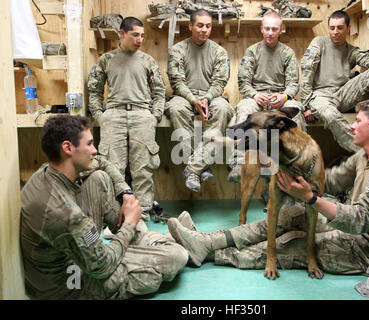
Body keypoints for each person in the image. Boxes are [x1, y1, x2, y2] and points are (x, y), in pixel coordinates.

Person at [166, 99, 369, 277]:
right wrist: (302, 179)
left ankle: (210, 254)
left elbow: (361, 220)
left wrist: (310, 198)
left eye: (357, 121)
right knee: (288, 216)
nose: (351, 126)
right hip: (354, 230)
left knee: (289, 243)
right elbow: (334, 179)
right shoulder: (364, 155)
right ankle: (206, 240)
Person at [20, 115, 192, 299]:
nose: (94, 150)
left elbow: (101, 162)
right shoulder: (66, 214)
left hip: (67, 259)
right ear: (68, 147)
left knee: (99, 179)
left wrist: (125, 191)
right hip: (71, 285)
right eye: (90, 144)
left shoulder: (47, 171)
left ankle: (154, 242)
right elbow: (103, 266)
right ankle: (169, 243)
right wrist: (129, 224)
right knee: (176, 256)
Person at [88, 16, 165, 220]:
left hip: (141, 114)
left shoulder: (148, 60)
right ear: (122, 34)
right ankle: (114, 215)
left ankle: (144, 213)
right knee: (113, 168)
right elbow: (94, 91)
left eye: (142, 35)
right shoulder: (106, 59)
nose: (140, 39)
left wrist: (154, 116)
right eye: (135, 35)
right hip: (114, 114)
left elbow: (159, 91)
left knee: (143, 168)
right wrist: (100, 116)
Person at [300, 10, 369, 154]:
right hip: (320, 97)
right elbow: (307, 73)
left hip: (342, 95)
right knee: (331, 115)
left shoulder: (351, 51)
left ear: (348, 28)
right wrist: (305, 105)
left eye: (340, 28)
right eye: (332, 28)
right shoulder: (320, 43)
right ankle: (366, 152)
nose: (335, 32)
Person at [228, 11, 306, 183]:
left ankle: (299, 163)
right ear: (262, 29)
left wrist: (284, 96)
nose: (270, 33)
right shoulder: (252, 51)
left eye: (274, 29)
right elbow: (243, 82)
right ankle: (237, 163)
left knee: (297, 111)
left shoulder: (288, 53)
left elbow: (293, 83)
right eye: (267, 29)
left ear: (281, 30)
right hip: (257, 97)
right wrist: (255, 95)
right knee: (244, 109)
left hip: (280, 97)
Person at [167, 9, 234, 192]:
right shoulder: (177, 50)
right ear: (190, 26)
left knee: (222, 108)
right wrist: (193, 99)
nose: (204, 29)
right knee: (175, 108)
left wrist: (206, 98)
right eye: (200, 25)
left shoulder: (219, 52)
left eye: (208, 26)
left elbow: (220, 82)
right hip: (184, 97)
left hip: (210, 97)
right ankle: (201, 166)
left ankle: (193, 169)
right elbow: (177, 81)